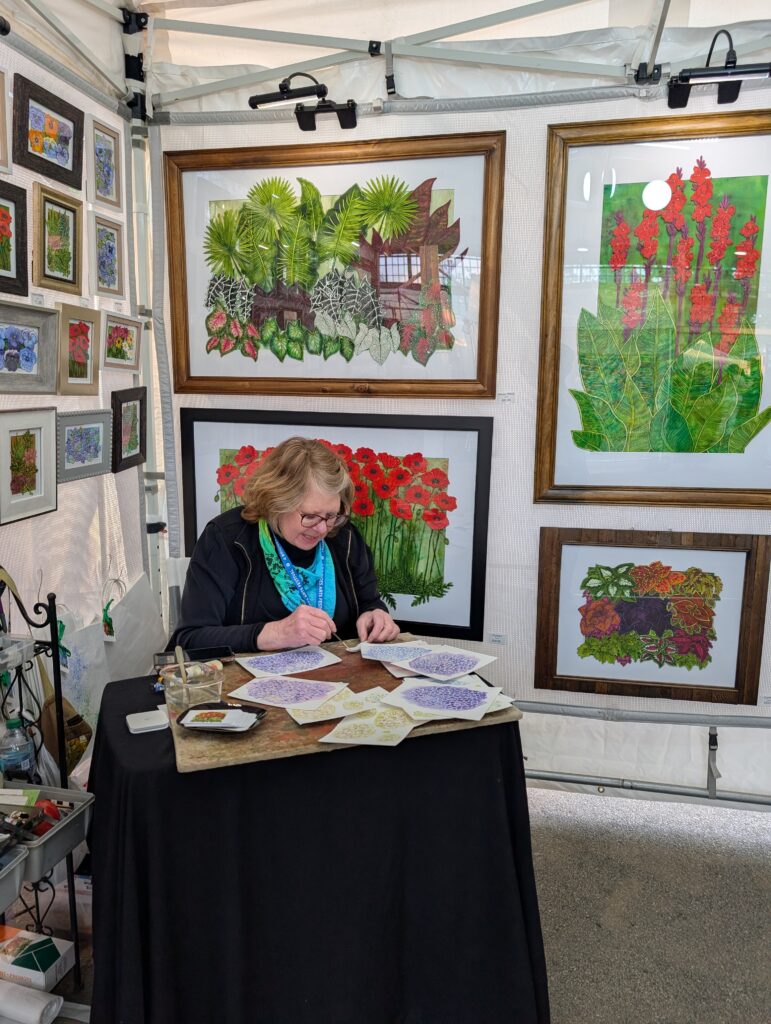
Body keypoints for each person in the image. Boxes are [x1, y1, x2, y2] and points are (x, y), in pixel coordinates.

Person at [170, 436, 400, 652]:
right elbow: (190, 639)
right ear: (276, 502)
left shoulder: (344, 536)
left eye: (331, 515)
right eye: (310, 516)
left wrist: (375, 615)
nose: (323, 529)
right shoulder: (226, 540)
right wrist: (274, 634)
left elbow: (369, 602)